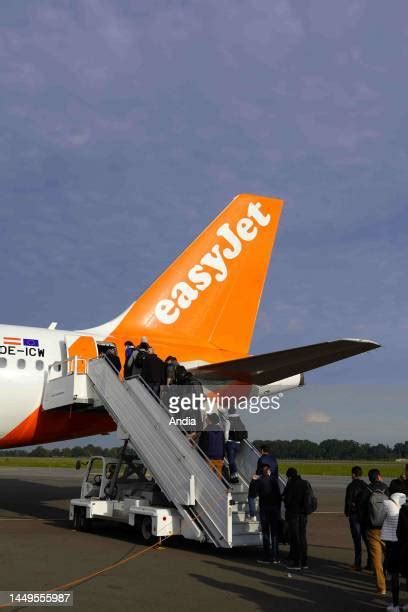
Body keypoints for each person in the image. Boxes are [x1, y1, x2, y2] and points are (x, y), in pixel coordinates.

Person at [356, 468, 389, 595]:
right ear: (379, 476)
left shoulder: (367, 490)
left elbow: (361, 509)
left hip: (372, 529)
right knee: (390, 554)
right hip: (386, 528)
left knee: (376, 558)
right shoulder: (386, 488)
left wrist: (365, 523)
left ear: (369, 478)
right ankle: (391, 578)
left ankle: (381, 587)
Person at [283, 467, 312, 570]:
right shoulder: (305, 483)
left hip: (294, 514)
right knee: (303, 538)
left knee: (295, 539)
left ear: (289, 476)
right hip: (304, 515)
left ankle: (296, 562)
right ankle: (304, 562)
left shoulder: (292, 485)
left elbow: (287, 500)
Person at [381, 492, 406, 611]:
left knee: (394, 575)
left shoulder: (388, 505)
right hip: (405, 546)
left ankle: (395, 605)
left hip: (394, 545)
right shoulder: (404, 510)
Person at [344, 465, 370, 571]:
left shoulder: (351, 486)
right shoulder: (365, 485)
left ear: (354, 474)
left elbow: (348, 501)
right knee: (367, 540)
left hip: (355, 515)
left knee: (357, 540)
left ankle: (358, 563)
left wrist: (347, 512)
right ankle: (371, 563)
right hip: (364, 516)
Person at [255, 464, 281, 564]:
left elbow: (254, 493)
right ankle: (275, 556)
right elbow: (278, 495)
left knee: (266, 533)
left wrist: (254, 480)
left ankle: (267, 555)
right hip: (274, 509)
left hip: (264, 509)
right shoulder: (274, 480)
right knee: (274, 533)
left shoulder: (260, 481)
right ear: (269, 471)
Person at [247, 446, 279, 522]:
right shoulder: (274, 459)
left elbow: (259, 473)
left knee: (251, 496)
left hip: (262, 481)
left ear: (262, 451)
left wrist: (254, 477)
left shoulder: (261, 459)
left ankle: (253, 515)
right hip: (272, 482)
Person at [225, 407, 248, 484]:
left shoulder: (228, 421)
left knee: (231, 461)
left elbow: (226, 433)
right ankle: (232, 477)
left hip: (231, 443)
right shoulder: (239, 421)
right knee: (232, 461)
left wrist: (225, 441)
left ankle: (235, 476)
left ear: (229, 412)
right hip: (238, 443)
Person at [198, 413, 225, 478]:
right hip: (219, 459)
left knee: (207, 478)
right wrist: (222, 457)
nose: (206, 419)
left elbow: (201, 445)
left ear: (210, 421)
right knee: (218, 479)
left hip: (209, 459)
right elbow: (223, 445)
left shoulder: (206, 431)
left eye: (208, 418)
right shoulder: (221, 432)